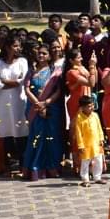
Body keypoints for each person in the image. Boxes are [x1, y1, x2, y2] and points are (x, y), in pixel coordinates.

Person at [22, 45, 66, 181]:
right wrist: (38, 104)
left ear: (49, 56)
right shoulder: (31, 71)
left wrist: (45, 103)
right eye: (39, 53)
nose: (41, 56)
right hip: (35, 109)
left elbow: (59, 91)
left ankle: (52, 167)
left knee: (52, 139)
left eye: (44, 54)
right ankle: (35, 168)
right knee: (37, 138)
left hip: (51, 109)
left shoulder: (56, 72)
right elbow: (27, 89)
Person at [0, 40, 30, 175]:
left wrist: (6, 82)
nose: (18, 48)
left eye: (19, 45)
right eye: (15, 45)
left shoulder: (22, 61)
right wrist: (13, 82)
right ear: (7, 47)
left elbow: (23, 81)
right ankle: (7, 164)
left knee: (21, 132)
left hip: (19, 101)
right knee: (6, 132)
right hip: (3, 102)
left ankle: (23, 164)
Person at [74, 95, 106, 186]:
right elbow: (78, 133)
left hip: (96, 143)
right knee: (85, 162)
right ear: (82, 107)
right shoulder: (79, 118)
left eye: (92, 105)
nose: (91, 108)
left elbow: (99, 127)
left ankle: (97, 177)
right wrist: (80, 145)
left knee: (98, 160)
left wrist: (101, 138)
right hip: (86, 144)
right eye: (89, 106)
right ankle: (85, 179)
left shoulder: (95, 115)